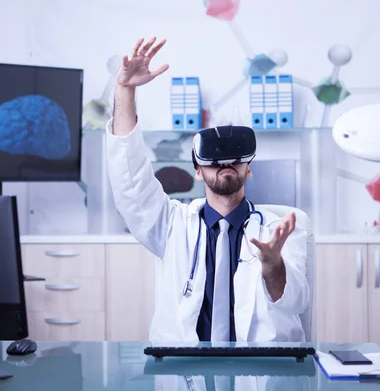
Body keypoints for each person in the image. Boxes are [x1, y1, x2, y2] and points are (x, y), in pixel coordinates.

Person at [105, 36, 310, 342]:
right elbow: (129, 181)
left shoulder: (281, 228)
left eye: (235, 159)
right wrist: (124, 90)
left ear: (249, 168)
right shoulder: (171, 225)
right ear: (198, 172)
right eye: (213, 160)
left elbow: (296, 301)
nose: (225, 163)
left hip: (261, 371)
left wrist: (272, 264)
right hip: (186, 369)